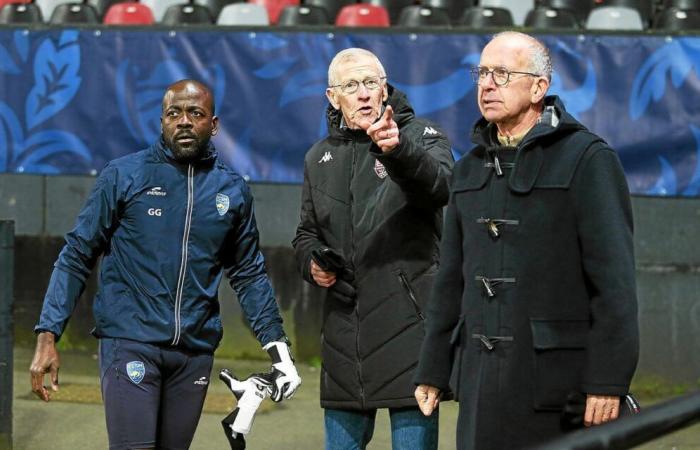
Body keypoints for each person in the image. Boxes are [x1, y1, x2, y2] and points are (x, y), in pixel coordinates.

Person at [29, 80, 301, 450]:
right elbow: (76, 255)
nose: (184, 121)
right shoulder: (125, 175)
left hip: (194, 353)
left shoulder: (232, 190)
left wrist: (278, 348)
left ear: (214, 124)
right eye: (174, 113)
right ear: (162, 122)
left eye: (196, 113)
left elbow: (249, 273)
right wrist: (48, 334)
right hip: (130, 342)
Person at [413, 31, 640, 449]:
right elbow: (450, 281)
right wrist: (433, 367)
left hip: (559, 387)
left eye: (502, 73)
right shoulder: (468, 170)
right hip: (480, 383)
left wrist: (608, 379)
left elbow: (615, 283)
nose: (486, 84)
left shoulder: (588, 159)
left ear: (539, 87)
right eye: (481, 72)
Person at [292, 48, 454, 449]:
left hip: (410, 330)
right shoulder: (318, 158)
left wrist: (397, 151)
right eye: (351, 86)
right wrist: (311, 262)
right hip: (344, 336)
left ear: (384, 90)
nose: (363, 94)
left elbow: (439, 187)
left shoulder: (420, 136)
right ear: (333, 97)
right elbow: (306, 233)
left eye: (370, 84)